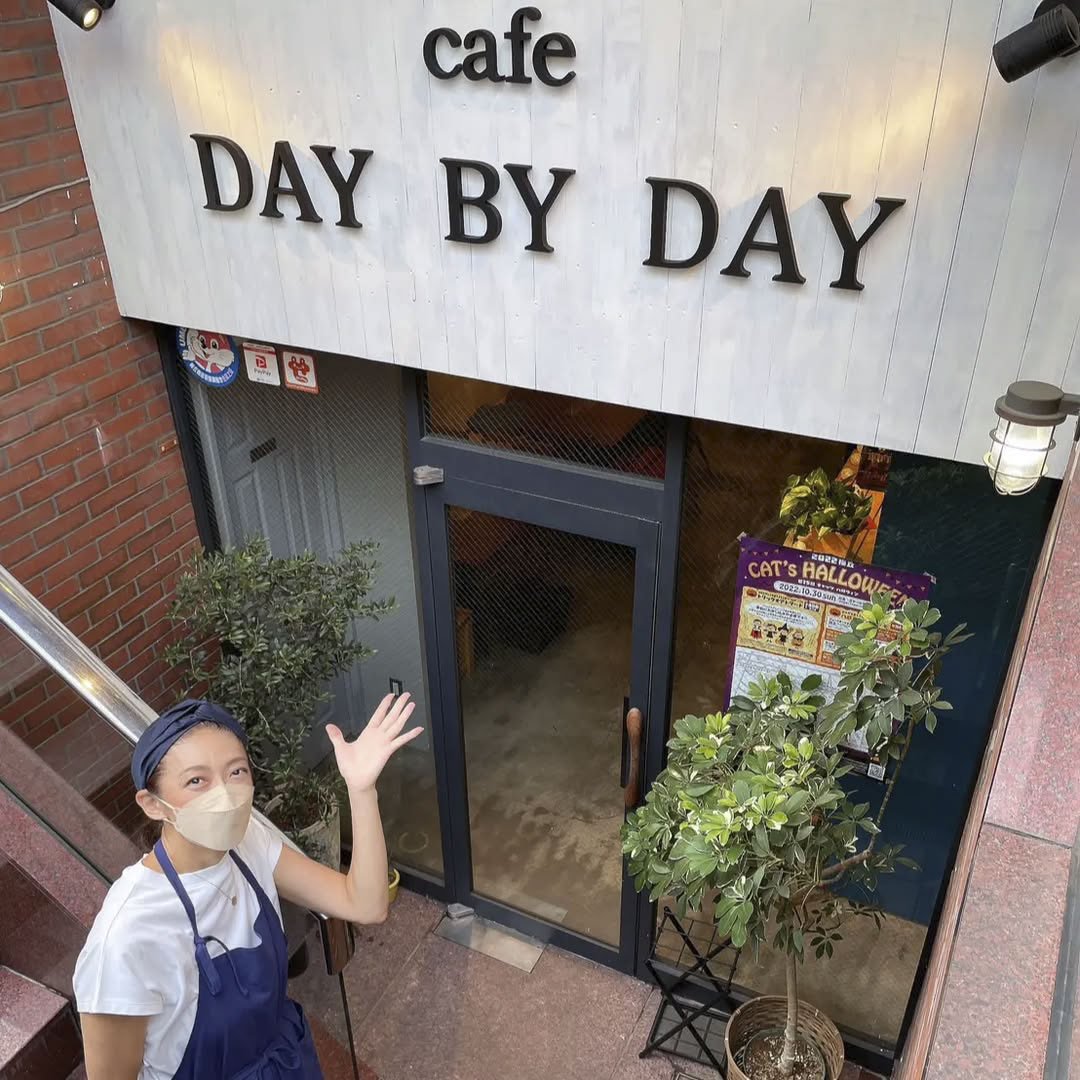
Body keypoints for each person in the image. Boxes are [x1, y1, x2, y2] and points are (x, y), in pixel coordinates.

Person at [73, 692, 421, 1080]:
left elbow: (365, 904)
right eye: (196, 780)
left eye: (236, 772)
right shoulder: (124, 938)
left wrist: (361, 789)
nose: (224, 794)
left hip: (288, 1063)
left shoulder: (248, 841)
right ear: (152, 804)